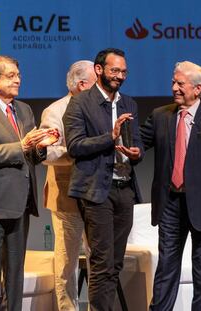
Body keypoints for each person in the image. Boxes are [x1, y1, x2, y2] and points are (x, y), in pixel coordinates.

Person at [0, 55, 58, 311]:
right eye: (11, 75)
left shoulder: (24, 110)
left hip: (20, 201)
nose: (18, 80)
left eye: (18, 74)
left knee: (15, 272)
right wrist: (22, 145)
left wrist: (41, 148)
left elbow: (31, 156)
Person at [140, 61, 201, 311]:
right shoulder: (161, 116)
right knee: (166, 268)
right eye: (173, 82)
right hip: (170, 202)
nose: (174, 87)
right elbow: (139, 146)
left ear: (197, 88)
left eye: (180, 83)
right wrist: (126, 147)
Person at [63, 48, 144, 311]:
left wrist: (136, 153)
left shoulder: (128, 103)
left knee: (115, 263)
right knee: (101, 262)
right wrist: (110, 137)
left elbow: (138, 143)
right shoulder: (80, 103)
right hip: (96, 190)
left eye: (123, 72)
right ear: (99, 70)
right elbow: (75, 146)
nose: (119, 76)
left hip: (125, 189)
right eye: (114, 70)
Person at [40, 60, 96, 310]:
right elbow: (46, 154)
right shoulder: (55, 111)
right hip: (67, 198)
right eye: (97, 81)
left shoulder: (100, 108)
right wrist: (78, 152)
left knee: (100, 258)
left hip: (97, 195)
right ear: (82, 84)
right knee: (67, 263)